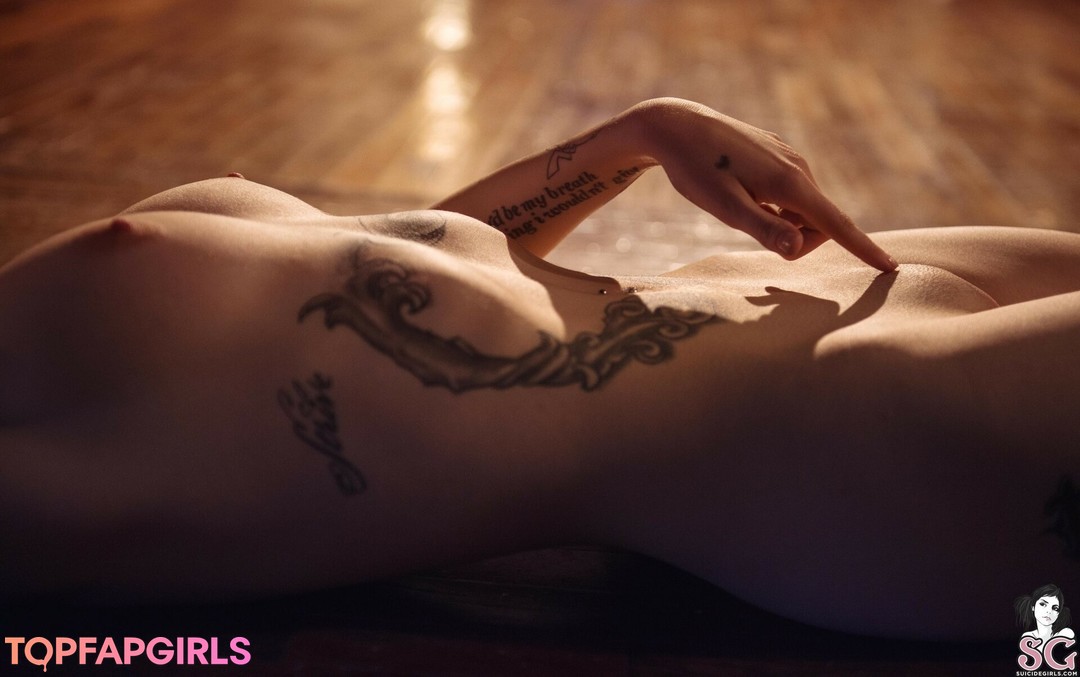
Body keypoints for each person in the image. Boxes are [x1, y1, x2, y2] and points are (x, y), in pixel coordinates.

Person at [0, 98, 1076, 641]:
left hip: (819, 285)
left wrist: (635, 137)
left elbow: (401, 273)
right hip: (839, 431)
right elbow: (92, 649)